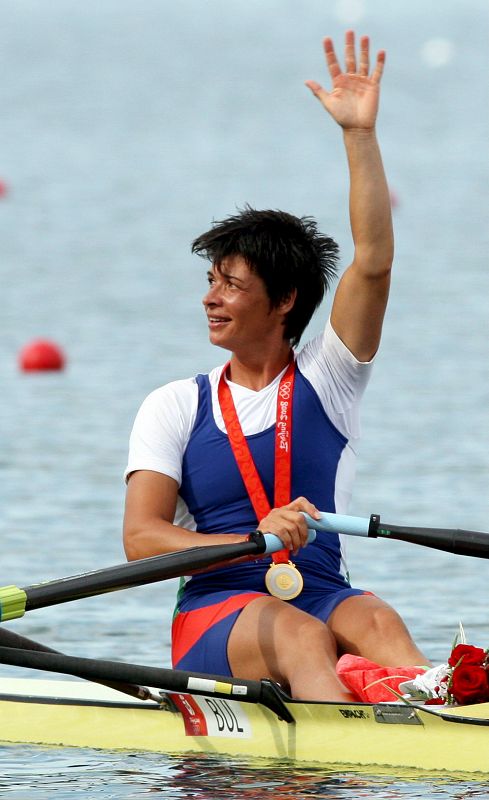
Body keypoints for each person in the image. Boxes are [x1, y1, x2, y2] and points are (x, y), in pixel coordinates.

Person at [123, 31, 428, 702]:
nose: (210, 298)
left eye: (230, 284)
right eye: (210, 281)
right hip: (218, 609)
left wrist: (358, 136)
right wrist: (249, 538)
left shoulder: (330, 380)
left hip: (322, 590)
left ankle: (446, 721)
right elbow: (141, 539)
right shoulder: (175, 405)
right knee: (299, 635)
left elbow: (373, 264)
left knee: (378, 620)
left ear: (285, 300)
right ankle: (347, 743)